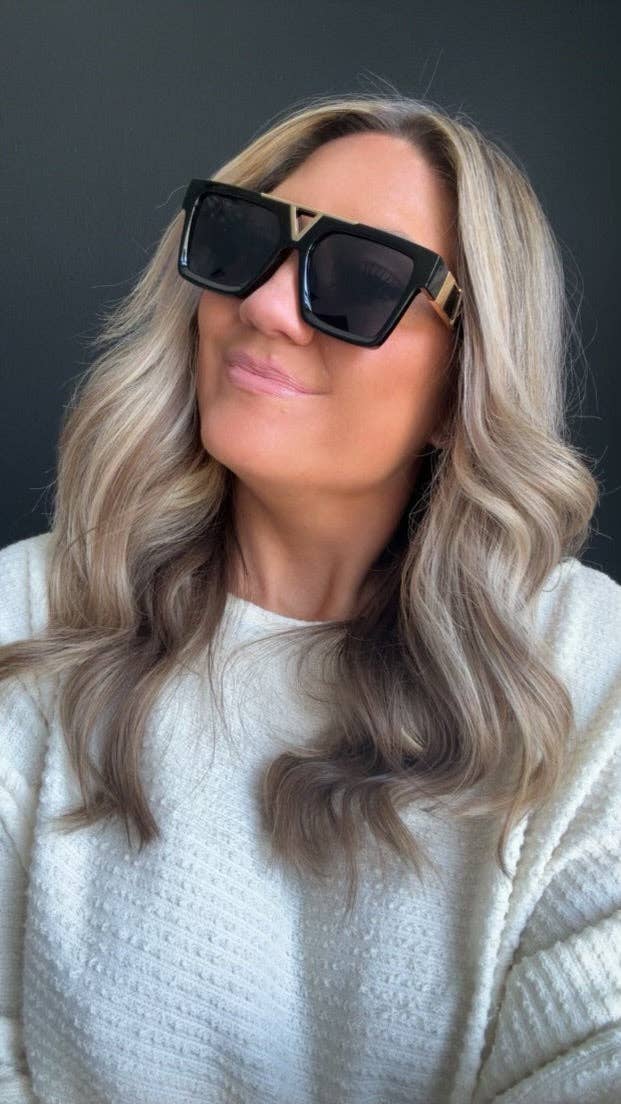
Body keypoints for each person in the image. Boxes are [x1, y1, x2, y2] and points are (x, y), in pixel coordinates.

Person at [0, 91, 619, 1104]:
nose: (264, 306)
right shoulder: (32, 615)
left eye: (361, 280)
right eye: (244, 242)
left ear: (466, 379)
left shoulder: (589, 675)